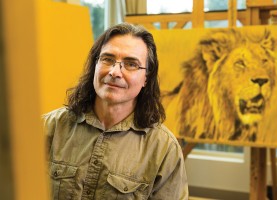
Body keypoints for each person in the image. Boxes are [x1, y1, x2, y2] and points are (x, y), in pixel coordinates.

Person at [43, 22, 189, 199]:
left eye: (131, 64)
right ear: (95, 65)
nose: (115, 72)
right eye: (108, 59)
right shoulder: (49, 128)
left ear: (146, 78)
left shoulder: (164, 149)